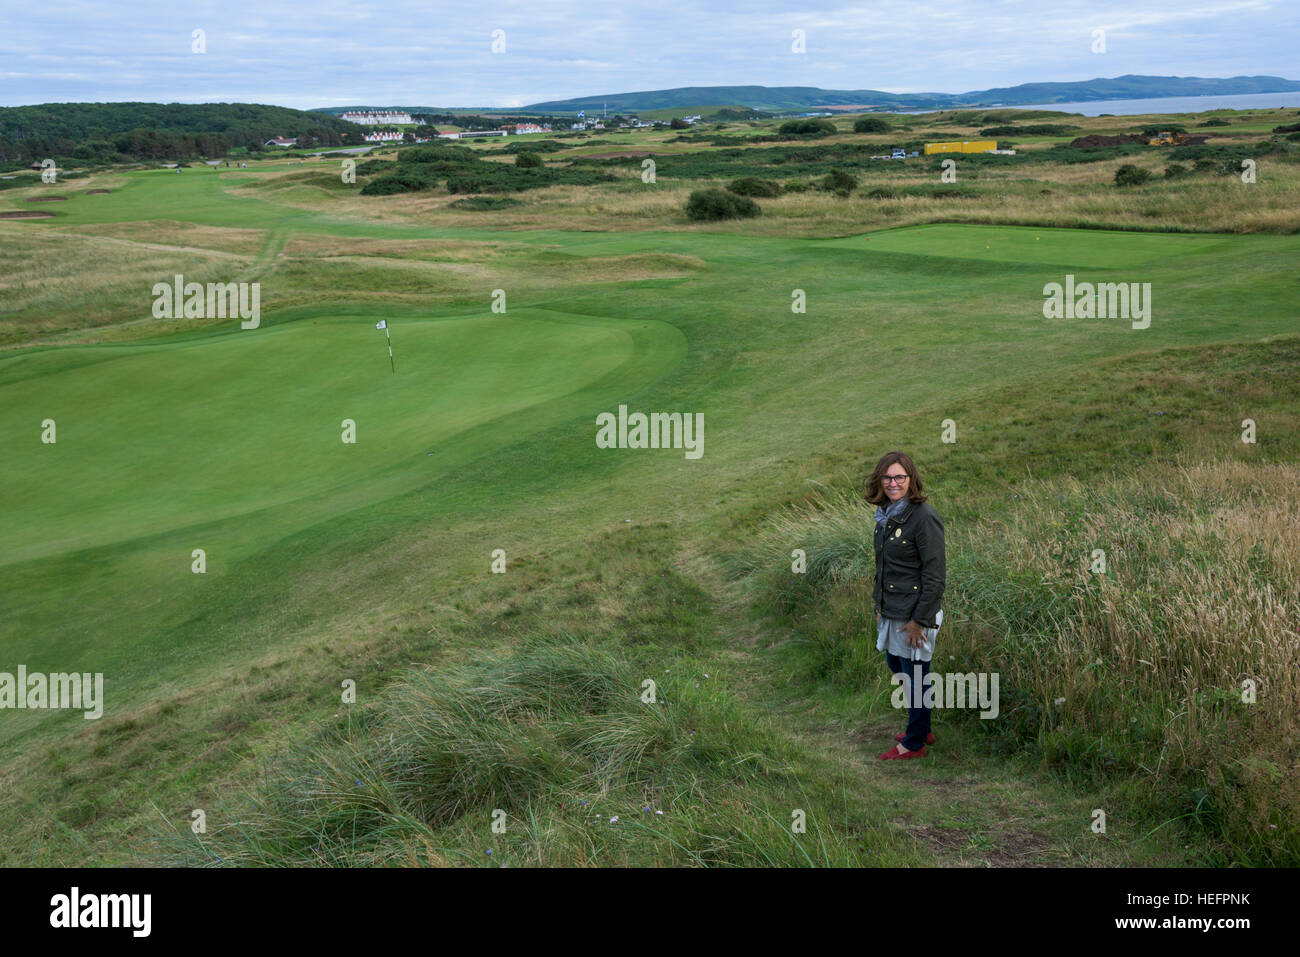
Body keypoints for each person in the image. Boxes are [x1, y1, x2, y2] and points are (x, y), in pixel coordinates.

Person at [868, 451, 946, 760]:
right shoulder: (887, 514)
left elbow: (935, 573)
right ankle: (922, 726)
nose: (893, 483)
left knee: (916, 676)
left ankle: (914, 743)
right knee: (896, 666)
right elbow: (883, 566)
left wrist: (920, 620)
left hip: (915, 614)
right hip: (893, 610)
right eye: (887, 477)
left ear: (911, 479)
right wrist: (880, 605)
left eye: (900, 477)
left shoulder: (923, 516)